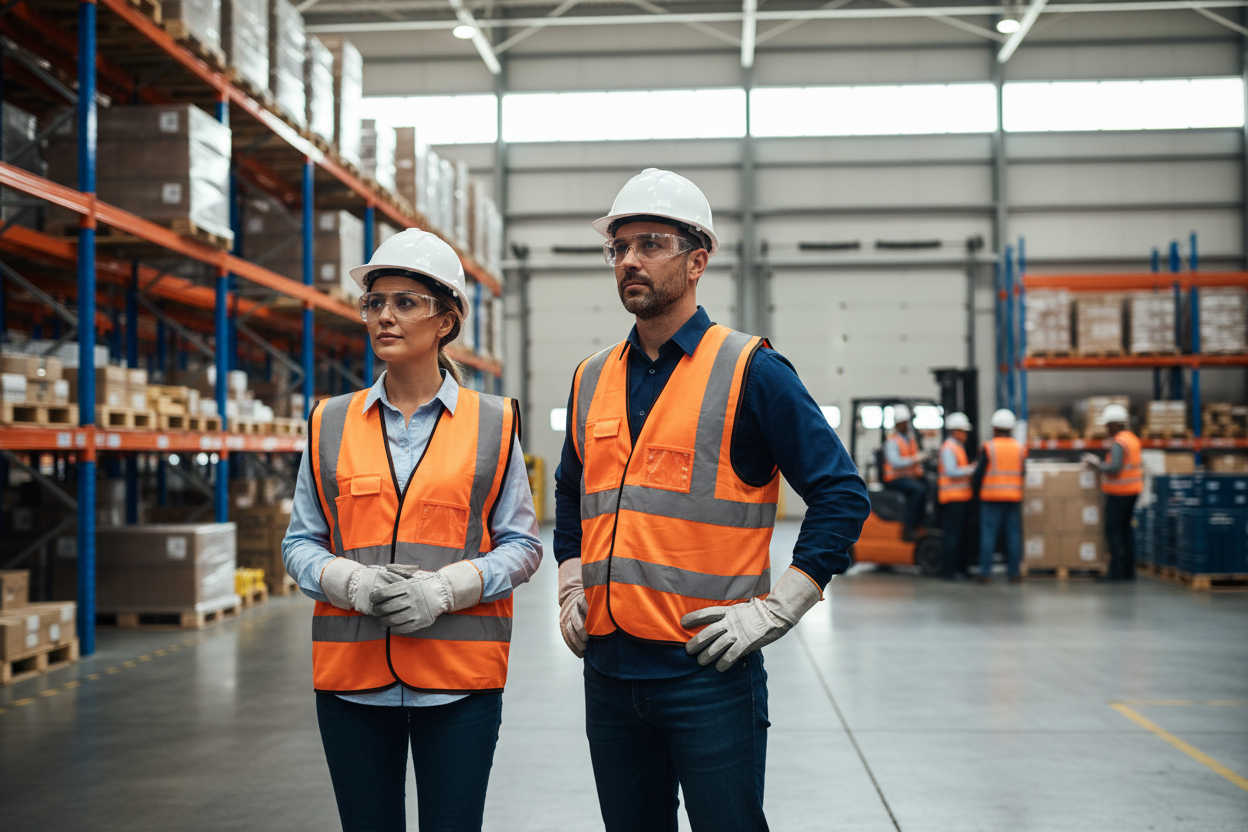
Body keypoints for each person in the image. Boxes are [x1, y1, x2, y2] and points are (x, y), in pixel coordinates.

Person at [552, 168, 870, 832]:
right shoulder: (589, 378)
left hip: (707, 671)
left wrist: (780, 610)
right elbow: (570, 489)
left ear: (698, 260)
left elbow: (840, 494)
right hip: (609, 671)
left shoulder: (751, 370)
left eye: (650, 243)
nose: (629, 260)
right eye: (618, 247)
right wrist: (568, 583)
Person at [281, 229, 542, 832]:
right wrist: (351, 582)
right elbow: (300, 541)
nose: (384, 317)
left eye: (404, 303)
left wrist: (446, 589)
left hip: (459, 681)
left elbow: (523, 545)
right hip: (352, 682)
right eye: (375, 303)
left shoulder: (492, 423)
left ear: (445, 321)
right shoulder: (330, 421)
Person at [1083, 403, 1142, 580]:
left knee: (1113, 531)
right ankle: (1128, 571)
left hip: (1119, 492)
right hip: (1133, 491)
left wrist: (1097, 465)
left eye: (1108, 425)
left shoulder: (1119, 443)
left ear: (1115, 424)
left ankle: (1115, 572)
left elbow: (1114, 468)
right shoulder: (1132, 439)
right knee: (1126, 531)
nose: (1106, 429)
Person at [974, 408, 1026, 584]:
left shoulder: (989, 447)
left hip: (991, 497)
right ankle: (1014, 573)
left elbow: (979, 473)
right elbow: (1023, 472)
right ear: (1011, 429)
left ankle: (985, 573)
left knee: (988, 535)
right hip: (1013, 497)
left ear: (995, 428)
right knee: (1013, 536)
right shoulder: (1019, 448)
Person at [937, 412, 976, 580]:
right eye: (963, 431)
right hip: (952, 498)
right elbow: (952, 472)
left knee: (961, 535)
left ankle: (960, 567)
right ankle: (949, 569)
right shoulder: (948, 448)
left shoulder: (958, 447)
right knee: (953, 535)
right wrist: (972, 469)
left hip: (961, 497)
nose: (966, 434)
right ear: (955, 431)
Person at [882, 403, 928, 541]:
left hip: (907, 476)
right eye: (903, 423)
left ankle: (922, 523)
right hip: (893, 479)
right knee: (918, 490)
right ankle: (908, 528)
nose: (906, 425)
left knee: (928, 485)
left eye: (907, 422)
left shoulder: (910, 438)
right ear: (897, 424)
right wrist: (916, 459)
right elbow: (895, 462)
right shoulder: (892, 441)